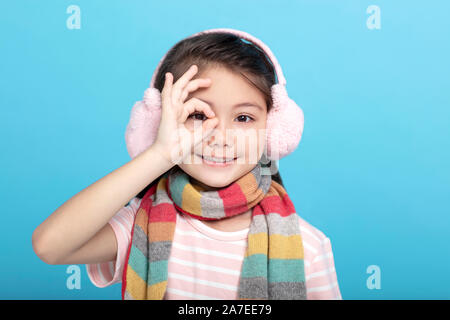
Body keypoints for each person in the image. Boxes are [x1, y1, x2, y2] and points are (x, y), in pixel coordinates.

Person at [32, 28, 342, 300]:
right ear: (159, 122)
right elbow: (51, 245)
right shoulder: (142, 225)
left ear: (273, 131)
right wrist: (159, 154)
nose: (221, 137)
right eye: (197, 115)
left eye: (243, 118)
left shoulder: (309, 248)